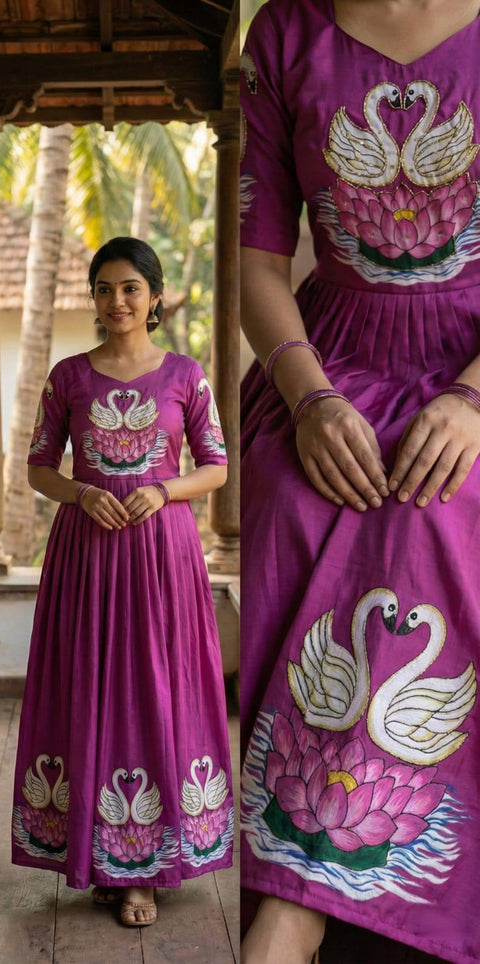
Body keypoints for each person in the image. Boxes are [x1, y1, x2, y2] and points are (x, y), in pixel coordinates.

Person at [240, 1, 480, 962]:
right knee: (301, 500)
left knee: (436, 506)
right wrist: (309, 402)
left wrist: (469, 402)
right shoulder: (284, 34)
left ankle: (300, 902)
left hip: (473, 367)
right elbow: (257, 263)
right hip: (326, 360)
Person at [10, 237, 233, 926]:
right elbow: (39, 466)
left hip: (162, 557)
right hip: (87, 555)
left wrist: (165, 491)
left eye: (130, 288)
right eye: (104, 288)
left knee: (155, 689)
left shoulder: (186, 376)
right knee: (91, 686)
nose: (116, 301)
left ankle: (146, 871)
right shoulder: (68, 376)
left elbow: (217, 466)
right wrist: (79, 495)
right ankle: (97, 855)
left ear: (155, 296)